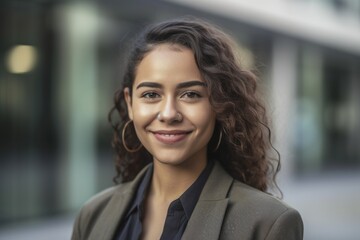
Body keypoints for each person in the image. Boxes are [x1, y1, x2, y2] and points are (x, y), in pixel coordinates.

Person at [71, 17, 303, 240]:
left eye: (190, 94)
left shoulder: (268, 224)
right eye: (151, 94)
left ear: (217, 104)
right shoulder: (93, 214)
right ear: (130, 103)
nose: (169, 113)